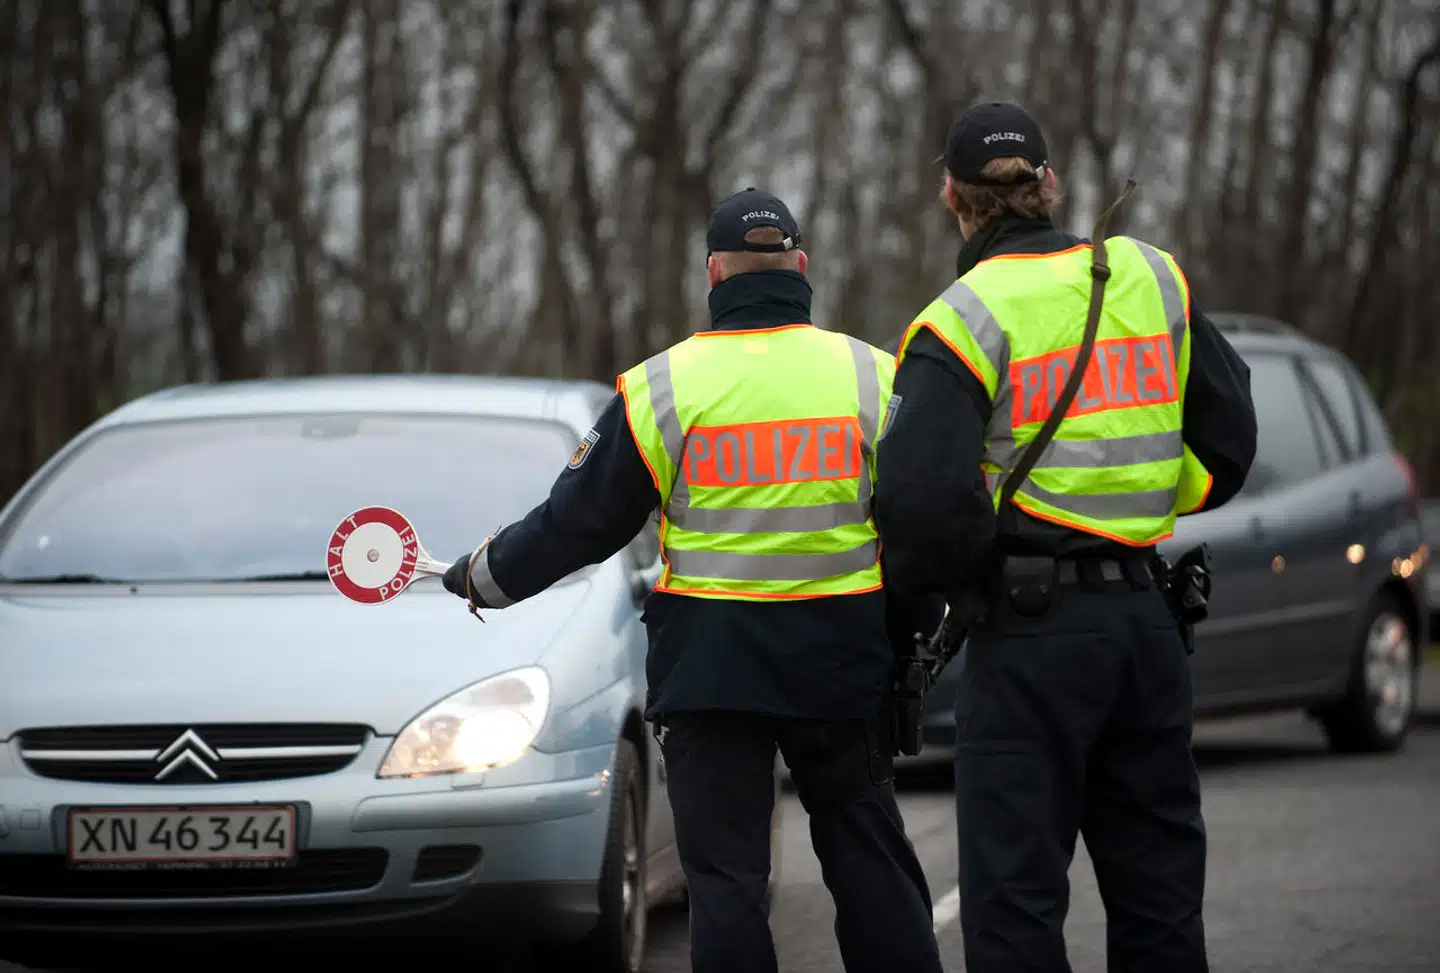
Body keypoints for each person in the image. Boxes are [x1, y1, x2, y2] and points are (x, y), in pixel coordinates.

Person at [440, 188, 945, 973]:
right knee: (872, 867)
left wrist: (484, 577)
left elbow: (579, 523)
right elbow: (922, 523)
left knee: (727, 886)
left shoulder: (661, 387)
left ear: (714, 273)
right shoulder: (870, 374)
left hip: (714, 674)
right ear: (801, 268)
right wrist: (908, 633)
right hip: (842, 668)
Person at [873, 102, 1259, 973]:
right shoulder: (1154, 278)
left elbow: (919, 504)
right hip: (1145, 628)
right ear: (1048, 185)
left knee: (1015, 911)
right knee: (1160, 902)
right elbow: (1229, 449)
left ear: (952, 198)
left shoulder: (960, 319)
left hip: (1029, 641)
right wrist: (1138, 505)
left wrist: (982, 578)